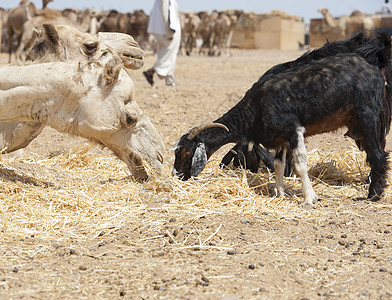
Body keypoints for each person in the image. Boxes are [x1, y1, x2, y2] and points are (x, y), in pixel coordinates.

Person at [143, 0, 181, 87]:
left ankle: (170, 80)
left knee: (167, 56)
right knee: (168, 56)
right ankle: (151, 71)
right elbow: (166, 14)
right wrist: (169, 32)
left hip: (161, 32)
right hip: (167, 33)